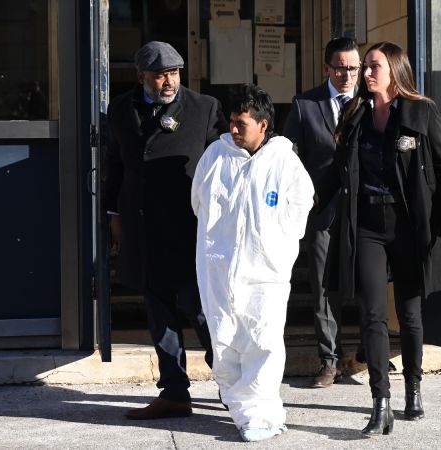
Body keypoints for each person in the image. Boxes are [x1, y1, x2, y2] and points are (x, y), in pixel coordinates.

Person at [320, 41, 441, 436]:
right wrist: (306, 201)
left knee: (409, 312)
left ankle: (413, 390)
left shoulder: (421, 111)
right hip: (367, 223)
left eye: (374, 67)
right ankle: (380, 402)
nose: (366, 74)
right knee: (371, 312)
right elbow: (337, 170)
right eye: (366, 67)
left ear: (395, 71)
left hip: (409, 224)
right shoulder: (356, 113)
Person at [103, 41, 226, 419]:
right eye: (160, 75)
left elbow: (225, 166)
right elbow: (114, 166)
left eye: (174, 73)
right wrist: (114, 215)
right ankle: (174, 392)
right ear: (141, 75)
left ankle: (232, 386)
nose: (169, 81)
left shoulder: (204, 108)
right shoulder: (120, 109)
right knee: (159, 314)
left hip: (188, 229)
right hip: (143, 228)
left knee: (202, 312)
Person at [191, 84, 314, 442]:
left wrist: (277, 241)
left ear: (263, 125)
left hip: (266, 271)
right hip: (219, 268)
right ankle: (244, 409)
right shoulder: (216, 155)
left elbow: (302, 203)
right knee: (224, 340)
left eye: (240, 124)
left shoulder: (283, 160)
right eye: (231, 122)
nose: (233, 129)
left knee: (263, 340)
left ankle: (259, 414)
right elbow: (198, 201)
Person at [283, 36, 360, 388]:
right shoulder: (305, 105)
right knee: (323, 286)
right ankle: (329, 360)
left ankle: (369, 353)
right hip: (321, 210)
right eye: (341, 68)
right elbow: (288, 157)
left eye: (353, 68)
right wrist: (303, 195)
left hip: (363, 209)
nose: (347, 75)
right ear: (327, 68)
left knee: (369, 282)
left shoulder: (370, 100)